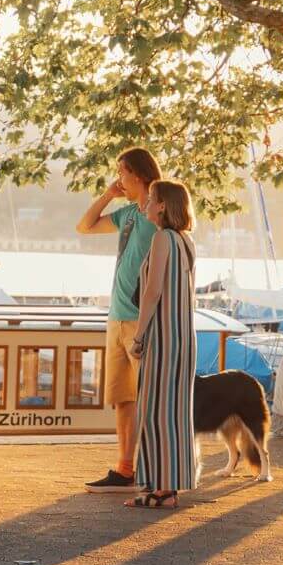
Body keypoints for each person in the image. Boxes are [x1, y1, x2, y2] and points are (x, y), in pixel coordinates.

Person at [75, 147, 161, 492]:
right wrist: (108, 195)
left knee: (150, 397)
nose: (119, 178)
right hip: (116, 317)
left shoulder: (159, 213)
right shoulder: (127, 214)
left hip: (142, 321)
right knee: (122, 398)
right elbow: (85, 226)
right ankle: (125, 468)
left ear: (138, 175)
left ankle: (154, 467)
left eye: (122, 173)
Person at [125, 180, 198, 510]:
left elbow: (153, 292)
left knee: (154, 411)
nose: (146, 203)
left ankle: (162, 489)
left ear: (163, 206)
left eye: (151, 199)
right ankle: (168, 486)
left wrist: (139, 336)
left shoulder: (161, 239)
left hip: (164, 336)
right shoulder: (186, 241)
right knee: (175, 413)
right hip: (184, 337)